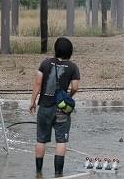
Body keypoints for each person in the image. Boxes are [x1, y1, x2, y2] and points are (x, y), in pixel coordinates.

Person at [29, 37, 80, 177]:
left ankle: (38, 172)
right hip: (62, 108)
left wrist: (32, 102)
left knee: (41, 140)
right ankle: (58, 174)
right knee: (61, 141)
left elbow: (37, 84)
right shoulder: (72, 67)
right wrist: (68, 96)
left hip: (44, 107)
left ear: (56, 50)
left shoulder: (45, 63)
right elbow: (75, 87)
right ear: (70, 51)